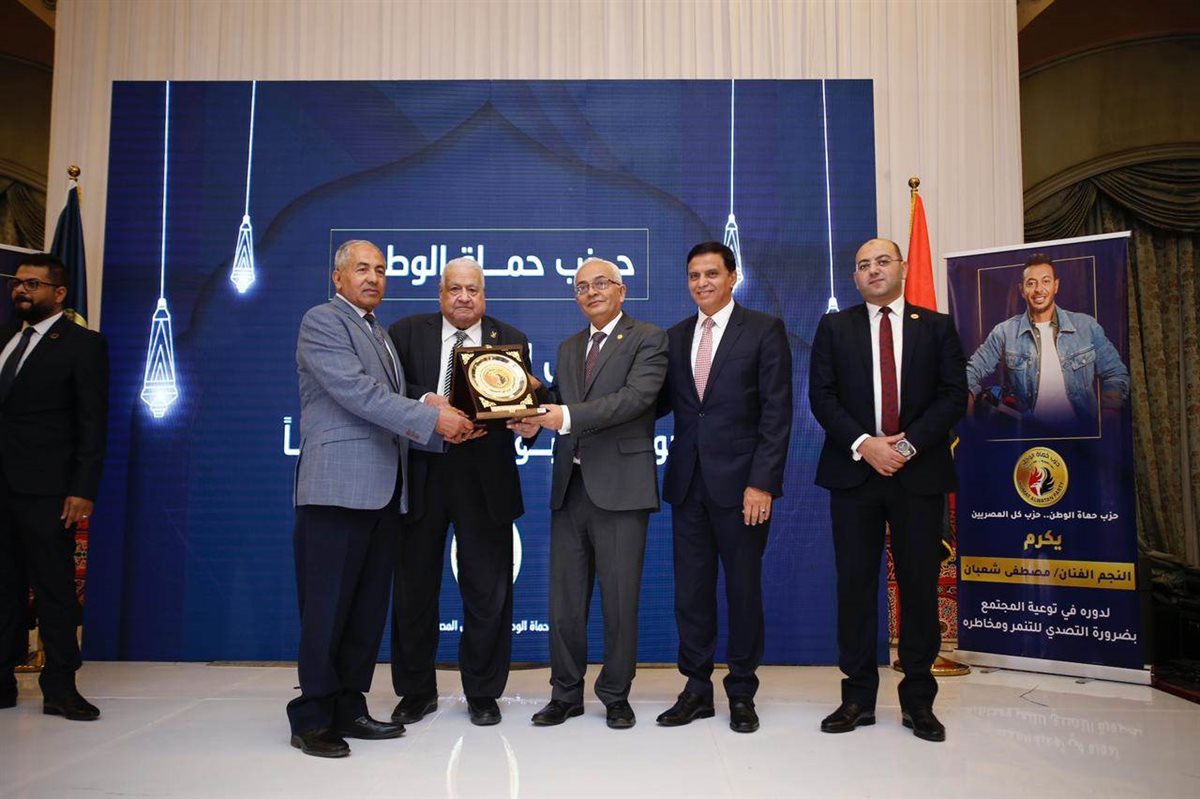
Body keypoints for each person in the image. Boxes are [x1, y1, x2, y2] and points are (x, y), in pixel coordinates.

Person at [288, 240, 474, 758]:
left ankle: (349, 706)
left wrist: (437, 410)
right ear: (338, 277)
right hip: (336, 491)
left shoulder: (378, 332)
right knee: (326, 611)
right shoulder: (323, 322)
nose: (373, 278)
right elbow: (358, 393)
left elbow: (389, 399)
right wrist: (433, 418)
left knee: (366, 611)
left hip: (385, 493)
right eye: (362, 269)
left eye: (380, 270)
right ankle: (312, 717)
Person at [809, 238, 966, 743]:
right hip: (854, 474)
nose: (873, 270)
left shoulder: (936, 327)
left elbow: (953, 396)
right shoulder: (834, 327)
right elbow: (822, 397)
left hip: (918, 477)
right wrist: (866, 445)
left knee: (918, 587)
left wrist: (906, 447)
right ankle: (857, 697)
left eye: (882, 261)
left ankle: (919, 700)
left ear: (902, 267)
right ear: (854, 278)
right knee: (855, 588)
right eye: (862, 265)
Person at [508, 257, 667, 730]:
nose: (591, 292)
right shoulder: (569, 346)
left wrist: (563, 416)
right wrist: (532, 412)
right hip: (570, 487)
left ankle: (615, 695)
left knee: (619, 602)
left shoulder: (648, 339)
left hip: (621, 489)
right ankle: (565, 693)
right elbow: (563, 400)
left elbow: (634, 400)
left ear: (621, 290)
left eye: (601, 284)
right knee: (565, 603)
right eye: (581, 287)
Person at [387, 257, 538, 727]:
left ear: (484, 295)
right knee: (414, 589)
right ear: (440, 294)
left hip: (485, 477)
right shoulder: (406, 332)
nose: (464, 297)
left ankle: (483, 692)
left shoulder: (510, 338)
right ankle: (416, 691)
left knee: (488, 592)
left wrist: (530, 415)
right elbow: (387, 388)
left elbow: (526, 401)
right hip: (423, 471)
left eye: (473, 289)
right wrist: (427, 404)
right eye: (455, 289)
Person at [654, 242, 792, 734]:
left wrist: (762, 483)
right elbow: (651, 402)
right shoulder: (674, 337)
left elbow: (777, 413)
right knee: (691, 594)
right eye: (694, 275)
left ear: (733, 277)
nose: (702, 283)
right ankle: (696, 689)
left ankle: (741, 691)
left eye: (712, 274)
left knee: (742, 591)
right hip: (688, 486)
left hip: (743, 490)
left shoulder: (764, 330)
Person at [0, 253, 108, 721]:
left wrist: (83, 488)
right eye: (18, 283)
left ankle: (60, 686)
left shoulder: (83, 344)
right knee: (3, 585)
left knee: (54, 589)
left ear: (59, 293)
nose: (21, 290)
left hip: (48, 489)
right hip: (2, 486)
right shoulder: (5, 338)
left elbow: (92, 421)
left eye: (33, 284)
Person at [966, 252, 1129, 435]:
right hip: (1029, 439)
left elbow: (1116, 373)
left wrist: (1107, 422)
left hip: (1081, 436)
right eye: (1031, 283)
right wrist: (971, 424)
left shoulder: (1086, 326)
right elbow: (970, 373)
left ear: (1055, 285)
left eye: (1045, 281)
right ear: (1022, 290)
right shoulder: (1004, 332)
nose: (1038, 289)